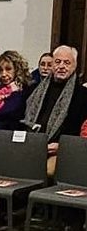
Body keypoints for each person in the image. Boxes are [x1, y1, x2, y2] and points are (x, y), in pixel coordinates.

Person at [24, 45, 87, 176]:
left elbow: (79, 134)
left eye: (67, 62)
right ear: (52, 65)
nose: (62, 66)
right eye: (58, 62)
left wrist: (61, 146)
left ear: (74, 66)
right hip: (32, 144)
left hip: (61, 149)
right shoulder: (34, 90)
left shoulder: (82, 95)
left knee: (43, 171)